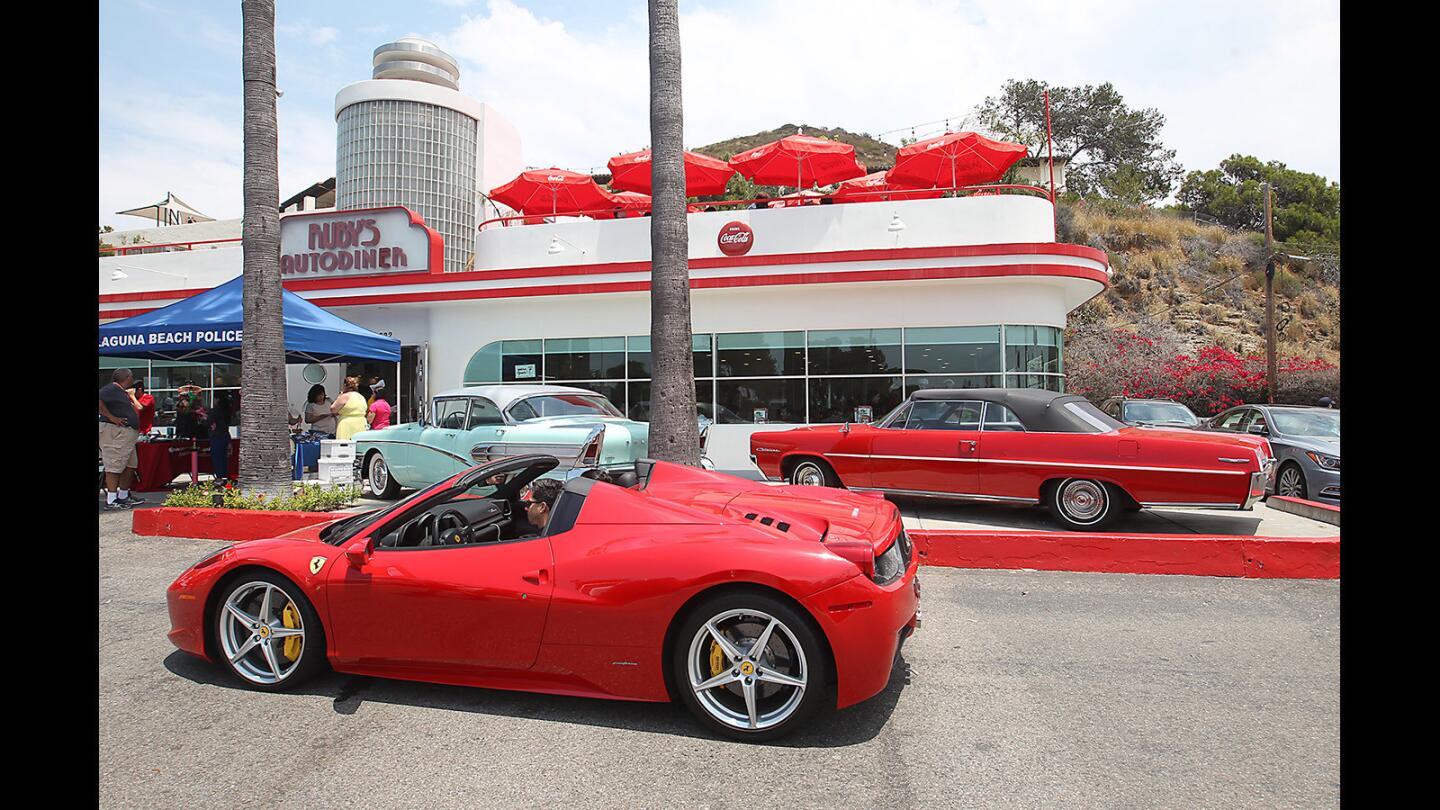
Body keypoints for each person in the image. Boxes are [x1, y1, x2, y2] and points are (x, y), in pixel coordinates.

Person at [99, 368, 145, 509]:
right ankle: (112, 499)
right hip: (115, 433)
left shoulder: (121, 392)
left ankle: (123, 495)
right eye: (131, 376)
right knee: (114, 465)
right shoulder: (111, 389)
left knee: (130, 464)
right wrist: (112, 417)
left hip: (127, 435)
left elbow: (139, 408)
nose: (133, 379)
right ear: (127, 377)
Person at [208, 392, 236, 483]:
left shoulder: (216, 410)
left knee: (217, 457)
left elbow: (207, 422)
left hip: (217, 436)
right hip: (225, 435)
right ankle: (225, 476)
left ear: (217, 399)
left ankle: (219, 477)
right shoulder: (226, 410)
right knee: (224, 458)